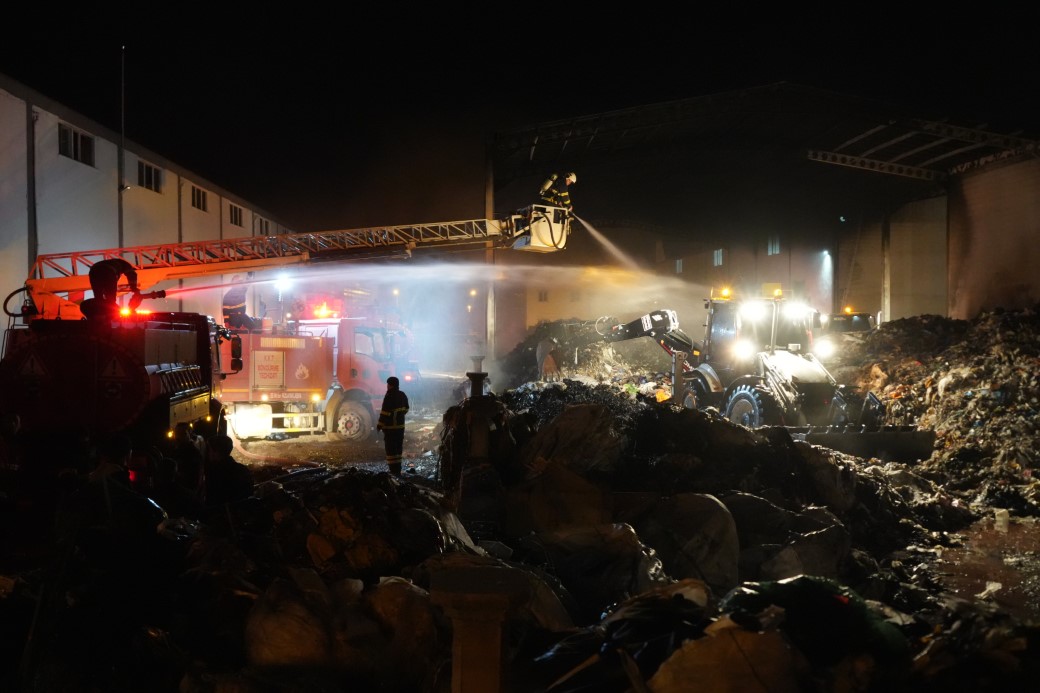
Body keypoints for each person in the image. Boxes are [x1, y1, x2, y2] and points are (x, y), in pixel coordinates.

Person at [202, 433, 253, 506]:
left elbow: (211, 500)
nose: (208, 453)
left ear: (216, 453)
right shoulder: (243, 469)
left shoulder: (215, 473)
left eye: (210, 450)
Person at [376, 376, 409, 477]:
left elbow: (385, 413)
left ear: (391, 385)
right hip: (400, 428)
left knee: (390, 450)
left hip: (390, 429)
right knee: (398, 449)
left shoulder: (389, 395)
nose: (387, 386)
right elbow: (406, 409)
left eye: (388, 384)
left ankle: (393, 471)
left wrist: (379, 425)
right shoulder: (402, 394)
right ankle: (398, 470)